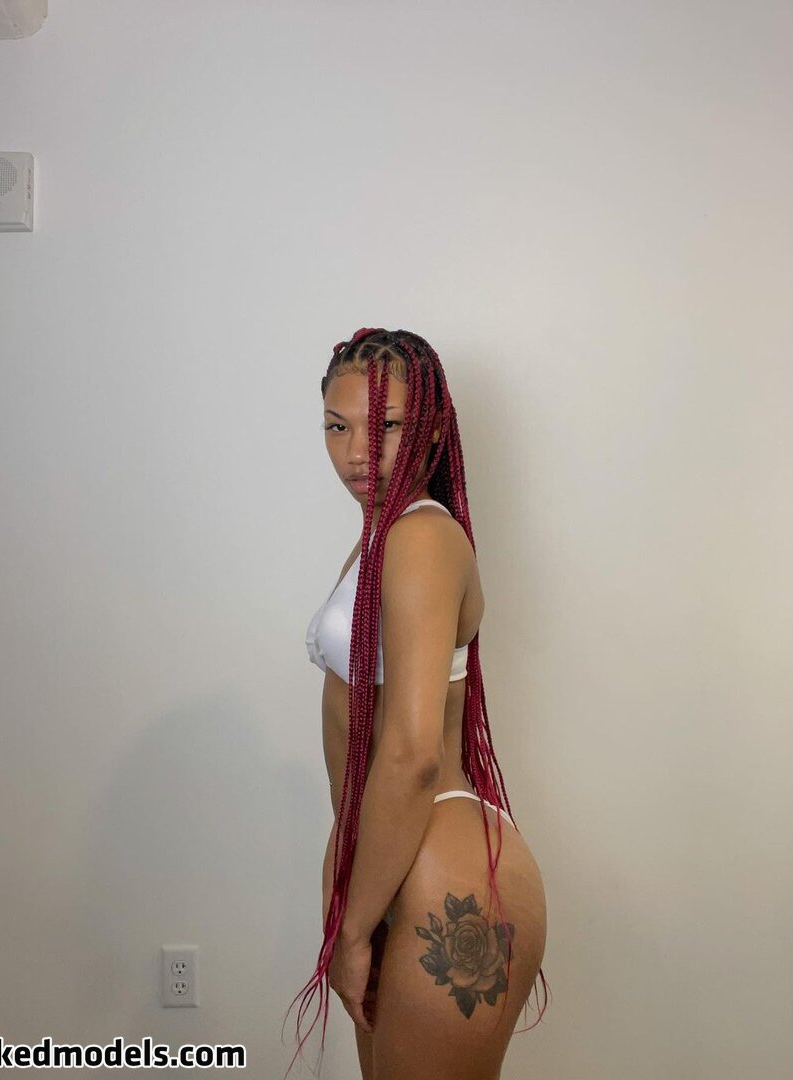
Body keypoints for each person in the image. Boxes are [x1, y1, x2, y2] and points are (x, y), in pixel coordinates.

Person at [283, 328, 550, 1080]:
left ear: (431, 428)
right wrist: (346, 883)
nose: (357, 453)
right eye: (337, 426)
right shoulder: (381, 536)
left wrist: (353, 929)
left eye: (387, 425)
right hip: (388, 863)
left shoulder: (422, 539)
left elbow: (409, 754)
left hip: (439, 869)